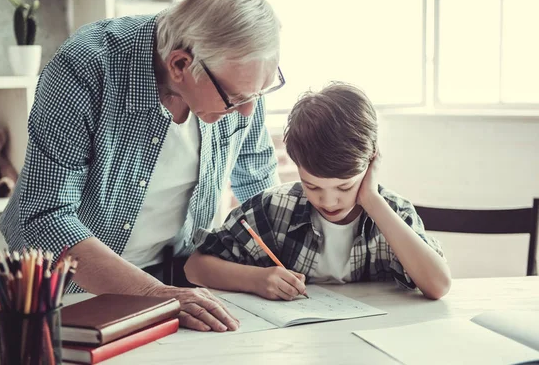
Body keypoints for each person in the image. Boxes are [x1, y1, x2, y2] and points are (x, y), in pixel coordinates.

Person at [0, 0, 285, 333]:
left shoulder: (236, 78)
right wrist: (157, 294)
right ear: (180, 65)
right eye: (236, 99)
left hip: (176, 282)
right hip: (67, 288)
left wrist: (285, 257)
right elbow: (45, 216)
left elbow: (257, 178)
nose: (248, 112)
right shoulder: (85, 68)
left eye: (259, 92)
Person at [184, 82, 451, 301]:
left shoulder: (393, 213)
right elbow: (195, 267)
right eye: (312, 185)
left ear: (371, 162)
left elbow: (438, 285)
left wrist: (372, 199)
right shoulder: (274, 209)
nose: (328, 200)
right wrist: (256, 280)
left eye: (344, 186)